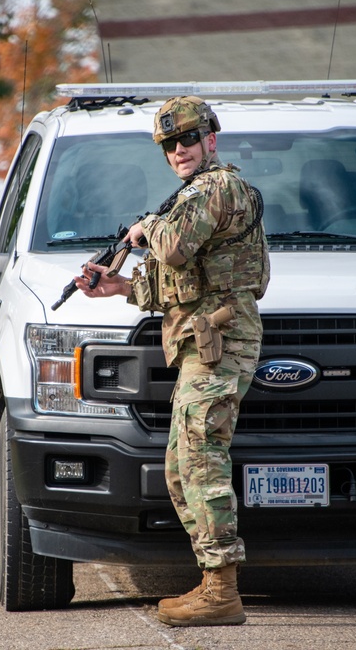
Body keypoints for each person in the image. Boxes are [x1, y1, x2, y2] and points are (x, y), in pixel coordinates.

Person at [73, 95, 269, 627]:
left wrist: (145, 227)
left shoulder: (216, 186)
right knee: (180, 468)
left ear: (211, 138)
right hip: (203, 339)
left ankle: (223, 591)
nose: (179, 150)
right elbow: (184, 283)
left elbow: (176, 249)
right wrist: (118, 286)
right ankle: (212, 582)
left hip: (222, 342)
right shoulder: (193, 195)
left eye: (188, 138)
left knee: (201, 460)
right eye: (169, 144)